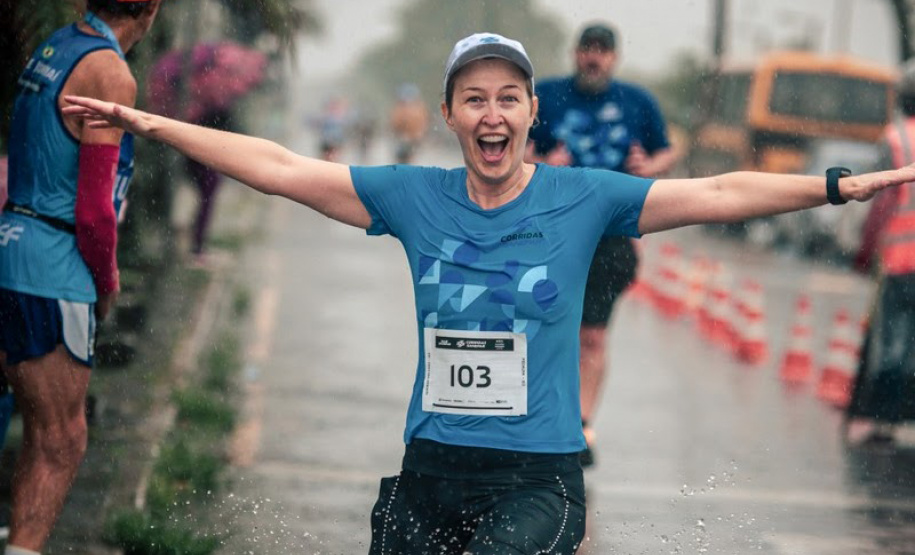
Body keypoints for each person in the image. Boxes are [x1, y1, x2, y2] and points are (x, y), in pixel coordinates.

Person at [64, 31, 915, 555]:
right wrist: (149, 122)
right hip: (429, 471)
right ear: (450, 114)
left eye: (508, 96)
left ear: (529, 111)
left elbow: (723, 192)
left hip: (537, 482)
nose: (492, 112)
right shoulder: (408, 197)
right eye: (474, 98)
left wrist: (841, 186)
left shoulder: (586, 197)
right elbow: (283, 169)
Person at [0, 1, 162, 552]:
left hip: (10, 246)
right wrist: (108, 282)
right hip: (53, 269)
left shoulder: (59, 43)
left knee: (24, 418)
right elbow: (93, 210)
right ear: (152, 9)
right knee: (61, 439)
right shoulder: (108, 72)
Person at [526, 23, 677, 467]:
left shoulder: (637, 102)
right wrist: (538, 162)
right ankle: (538, 421)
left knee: (592, 336)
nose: (594, 58)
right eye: (587, 49)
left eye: (603, 51)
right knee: (543, 330)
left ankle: (581, 427)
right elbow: (509, 148)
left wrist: (648, 164)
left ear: (615, 57)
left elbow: (667, 152)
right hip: (550, 233)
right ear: (575, 53)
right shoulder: (546, 95)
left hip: (611, 238)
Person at [849, 58, 915, 445]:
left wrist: (864, 250)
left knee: (893, 343)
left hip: (902, 262)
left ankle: (886, 420)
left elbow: (881, 203)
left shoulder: (896, 139)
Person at [389, 83, 430, 164]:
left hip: (407, 138)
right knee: (408, 158)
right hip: (413, 138)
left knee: (403, 158)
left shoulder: (400, 108)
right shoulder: (420, 108)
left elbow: (394, 123)